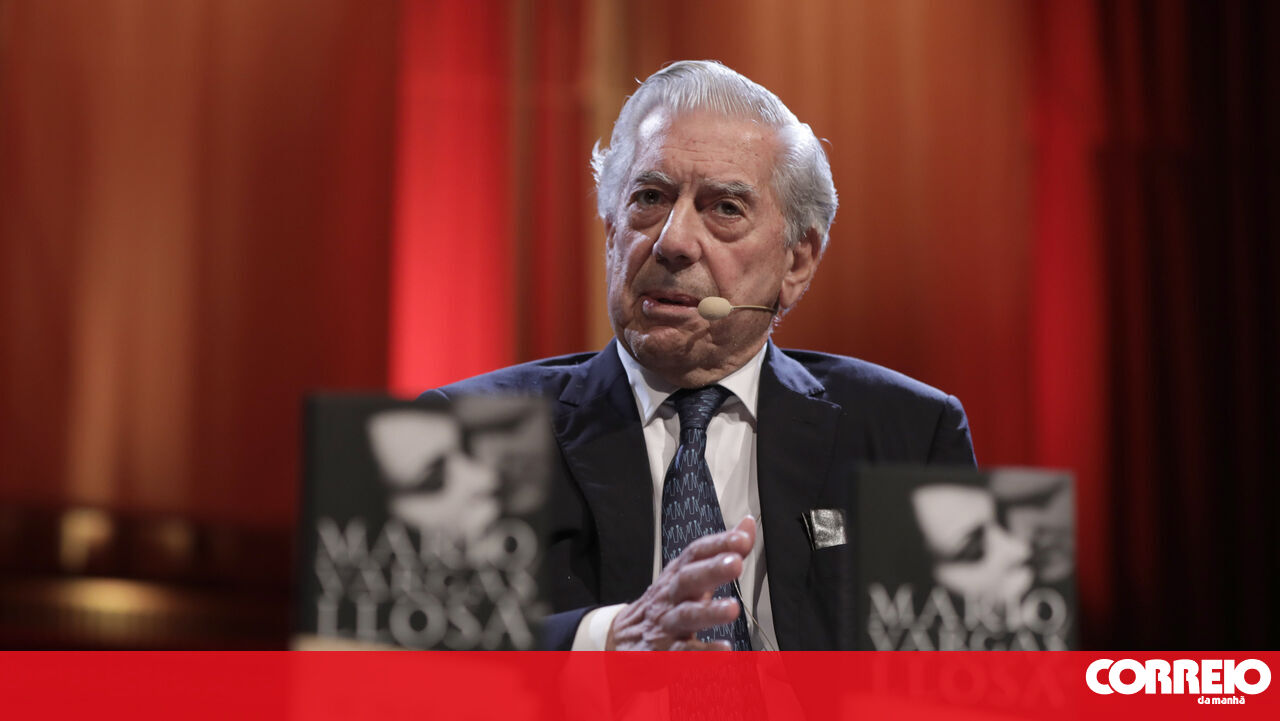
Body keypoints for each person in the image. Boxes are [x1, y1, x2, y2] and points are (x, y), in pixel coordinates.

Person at [422, 60, 975, 650]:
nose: (673, 242)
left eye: (725, 208)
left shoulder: (907, 433)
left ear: (797, 262)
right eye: (650, 198)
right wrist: (607, 640)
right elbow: (413, 657)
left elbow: (968, 669)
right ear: (610, 233)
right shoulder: (469, 433)